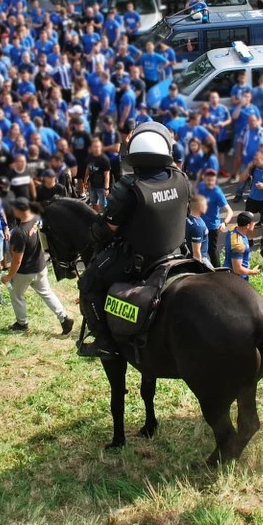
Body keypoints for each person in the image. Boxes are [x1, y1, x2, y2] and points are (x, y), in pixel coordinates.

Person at [76, 122, 192, 358]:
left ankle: (104, 343)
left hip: (140, 259)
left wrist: (94, 231)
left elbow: (108, 227)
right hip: (178, 251)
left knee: (88, 283)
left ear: (134, 156)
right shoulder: (181, 178)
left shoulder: (128, 188)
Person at [4, 199, 74, 334]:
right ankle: (64, 318)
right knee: (47, 293)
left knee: (16, 295)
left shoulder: (19, 233)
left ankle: (21, 323)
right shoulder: (35, 219)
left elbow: (17, 261)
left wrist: (9, 276)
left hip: (25, 272)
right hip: (40, 267)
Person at [197, 169, 233, 267]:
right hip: (199, 224)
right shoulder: (200, 186)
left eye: (212, 180)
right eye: (208, 180)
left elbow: (230, 211)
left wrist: (224, 223)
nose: (210, 183)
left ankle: (218, 271)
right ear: (204, 178)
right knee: (197, 247)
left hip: (212, 227)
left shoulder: (217, 193)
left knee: (211, 250)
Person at [226, 212, 261, 281]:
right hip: (238, 279)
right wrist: (252, 272)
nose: (254, 225)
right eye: (253, 223)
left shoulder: (232, 229)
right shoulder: (238, 245)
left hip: (229, 272)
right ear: (248, 226)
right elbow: (237, 269)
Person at [186, 194, 210, 264]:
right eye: (205, 205)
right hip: (202, 259)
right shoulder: (198, 227)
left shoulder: (188, 219)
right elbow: (196, 252)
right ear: (200, 207)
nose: (207, 207)